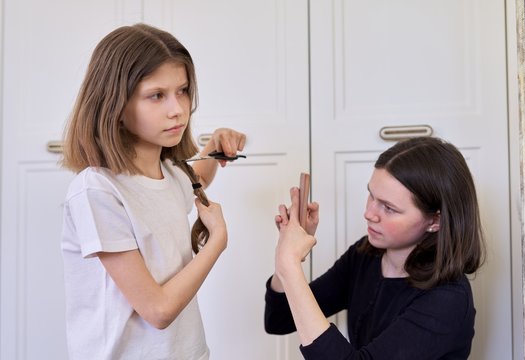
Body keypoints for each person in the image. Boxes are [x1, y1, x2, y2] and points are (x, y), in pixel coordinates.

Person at [60, 23, 246, 360]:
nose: (177, 109)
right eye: (156, 95)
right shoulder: (97, 191)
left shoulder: (171, 173)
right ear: (114, 103)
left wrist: (215, 145)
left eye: (183, 90)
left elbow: (195, 179)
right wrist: (215, 243)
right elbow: (158, 310)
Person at [264, 136, 485, 359]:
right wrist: (286, 254)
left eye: (389, 208)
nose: (369, 213)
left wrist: (289, 264)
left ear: (435, 221)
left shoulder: (447, 299)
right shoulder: (365, 255)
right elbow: (279, 319)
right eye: (371, 195)